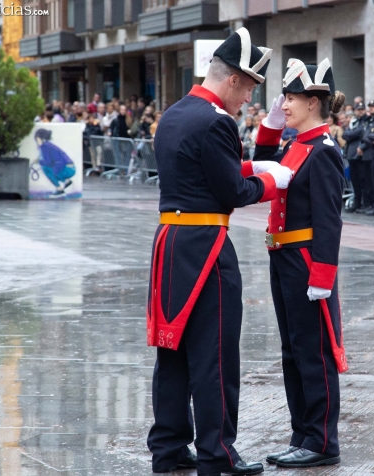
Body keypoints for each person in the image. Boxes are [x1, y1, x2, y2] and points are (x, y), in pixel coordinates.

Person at [146, 27, 292, 476]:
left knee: (172, 352)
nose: (248, 99)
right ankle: (217, 453)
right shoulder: (216, 121)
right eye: (248, 88)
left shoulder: (175, 114)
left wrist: (252, 162)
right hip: (206, 247)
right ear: (232, 80)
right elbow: (231, 190)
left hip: (170, 244)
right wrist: (272, 180)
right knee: (216, 355)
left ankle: (168, 447)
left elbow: (200, 170)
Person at [252, 57, 347, 469]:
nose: (284, 105)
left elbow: (329, 219)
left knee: (314, 352)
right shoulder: (297, 144)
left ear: (312, 102)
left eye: (290, 98)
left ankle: (323, 439)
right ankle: (302, 435)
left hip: (307, 259)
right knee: (293, 351)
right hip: (284, 256)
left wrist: (323, 274)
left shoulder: (323, 149)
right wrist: (271, 126)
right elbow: (262, 162)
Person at [343, 102, 370, 212]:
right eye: (358, 109)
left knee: (364, 181)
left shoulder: (366, 121)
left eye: (362, 109)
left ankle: (365, 203)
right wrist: (352, 134)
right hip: (351, 154)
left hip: (360, 155)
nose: (360, 111)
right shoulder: (354, 121)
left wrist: (351, 134)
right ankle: (357, 202)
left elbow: (360, 132)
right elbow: (345, 134)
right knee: (355, 182)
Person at [34, 129, 76, 196]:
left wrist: (39, 161)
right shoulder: (48, 144)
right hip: (71, 168)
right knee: (50, 168)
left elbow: (48, 162)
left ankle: (59, 188)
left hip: (66, 169)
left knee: (45, 168)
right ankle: (66, 181)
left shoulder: (44, 146)